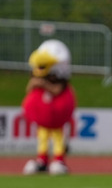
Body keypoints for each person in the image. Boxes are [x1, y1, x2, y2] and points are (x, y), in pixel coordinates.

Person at [22, 39, 75, 176]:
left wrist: (44, 85)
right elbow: (30, 90)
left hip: (57, 118)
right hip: (43, 119)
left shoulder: (60, 80)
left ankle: (59, 160)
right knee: (42, 137)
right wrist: (34, 84)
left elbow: (57, 90)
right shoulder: (37, 76)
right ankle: (42, 160)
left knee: (58, 137)